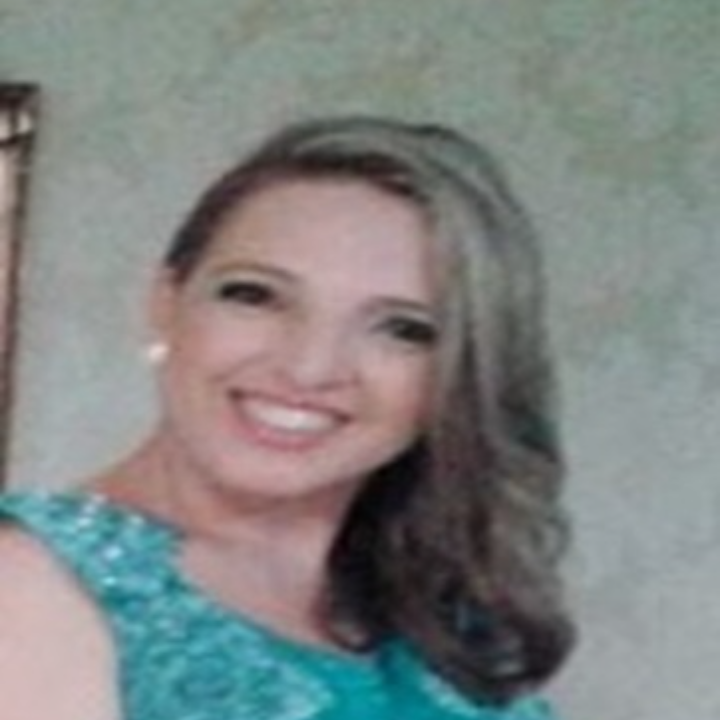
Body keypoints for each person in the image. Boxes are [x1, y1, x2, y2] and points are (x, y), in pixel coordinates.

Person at [0, 116, 574, 719]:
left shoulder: (440, 613)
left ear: (460, 370)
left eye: (404, 329)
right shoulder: (25, 588)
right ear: (165, 303)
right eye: (256, 295)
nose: (308, 368)